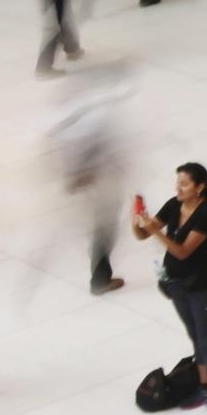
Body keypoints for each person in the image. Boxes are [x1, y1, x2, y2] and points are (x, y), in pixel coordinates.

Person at [133, 162, 207, 415]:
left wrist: (155, 231)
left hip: (201, 286)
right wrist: (137, 219)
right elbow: (142, 234)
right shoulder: (174, 205)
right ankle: (203, 387)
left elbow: (183, 251)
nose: (179, 189)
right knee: (195, 337)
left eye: (184, 184)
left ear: (200, 187)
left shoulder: (206, 214)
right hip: (176, 285)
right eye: (177, 183)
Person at [49, 62, 132, 296]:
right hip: (100, 186)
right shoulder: (93, 119)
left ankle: (100, 275)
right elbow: (86, 149)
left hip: (95, 184)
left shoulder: (76, 115)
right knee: (104, 230)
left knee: (102, 230)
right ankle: (100, 279)